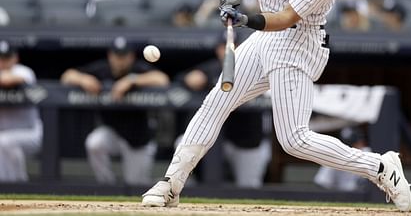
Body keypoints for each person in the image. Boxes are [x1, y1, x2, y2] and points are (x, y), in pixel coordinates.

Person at [142, 0, 411, 211]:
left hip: (298, 42)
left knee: (294, 140)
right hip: (266, 35)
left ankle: (380, 167)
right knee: (216, 102)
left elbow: (285, 19)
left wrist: (245, 19)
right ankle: (171, 182)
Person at [60, 36, 169, 185]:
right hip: (113, 133)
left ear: (131, 57)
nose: (120, 59)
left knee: (136, 186)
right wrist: (82, 79)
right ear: (110, 55)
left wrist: (131, 80)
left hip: (138, 139)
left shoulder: (137, 69)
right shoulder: (102, 69)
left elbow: (162, 79)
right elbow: (67, 76)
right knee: (95, 143)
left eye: (124, 55)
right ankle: (107, 185)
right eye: (117, 55)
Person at [176, 31, 271, 188]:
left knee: (249, 186)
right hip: (214, 140)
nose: (228, 50)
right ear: (217, 49)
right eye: (224, 46)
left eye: (233, 46)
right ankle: (184, 185)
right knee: (183, 141)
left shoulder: (256, 69)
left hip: (247, 139)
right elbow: (179, 80)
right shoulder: (210, 69)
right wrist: (190, 79)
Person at [0, 40, 42, 182]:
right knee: (4, 142)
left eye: (6, 57)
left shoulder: (23, 71)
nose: (3, 62)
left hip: (30, 134)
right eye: (0, 57)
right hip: (6, 135)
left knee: (4, 141)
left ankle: (20, 184)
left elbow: (9, 80)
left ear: (15, 58)